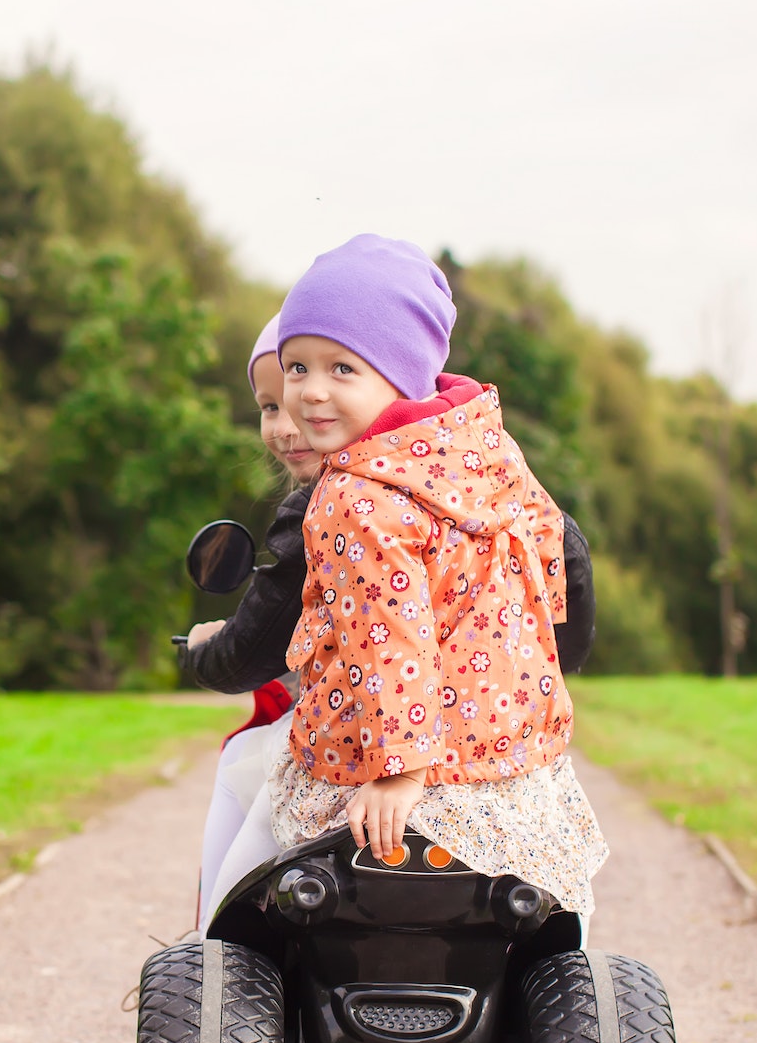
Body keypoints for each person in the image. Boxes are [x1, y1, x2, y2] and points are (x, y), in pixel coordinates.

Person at [209, 234, 607, 939]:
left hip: (400, 768)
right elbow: (550, 554)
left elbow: (384, 634)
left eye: (343, 368)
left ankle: (221, 956)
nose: (311, 390)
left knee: (250, 832)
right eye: (296, 366)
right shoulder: (486, 448)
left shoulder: (351, 495)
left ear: (401, 374)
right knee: (554, 933)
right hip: (508, 772)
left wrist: (399, 770)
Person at [183, 315, 322, 924]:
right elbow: (571, 613)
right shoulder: (488, 477)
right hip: (490, 740)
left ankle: (209, 954)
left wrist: (204, 649)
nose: (286, 426)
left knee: (240, 763)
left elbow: (251, 653)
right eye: (270, 406)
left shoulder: (326, 505)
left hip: (360, 743)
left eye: (299, 399)